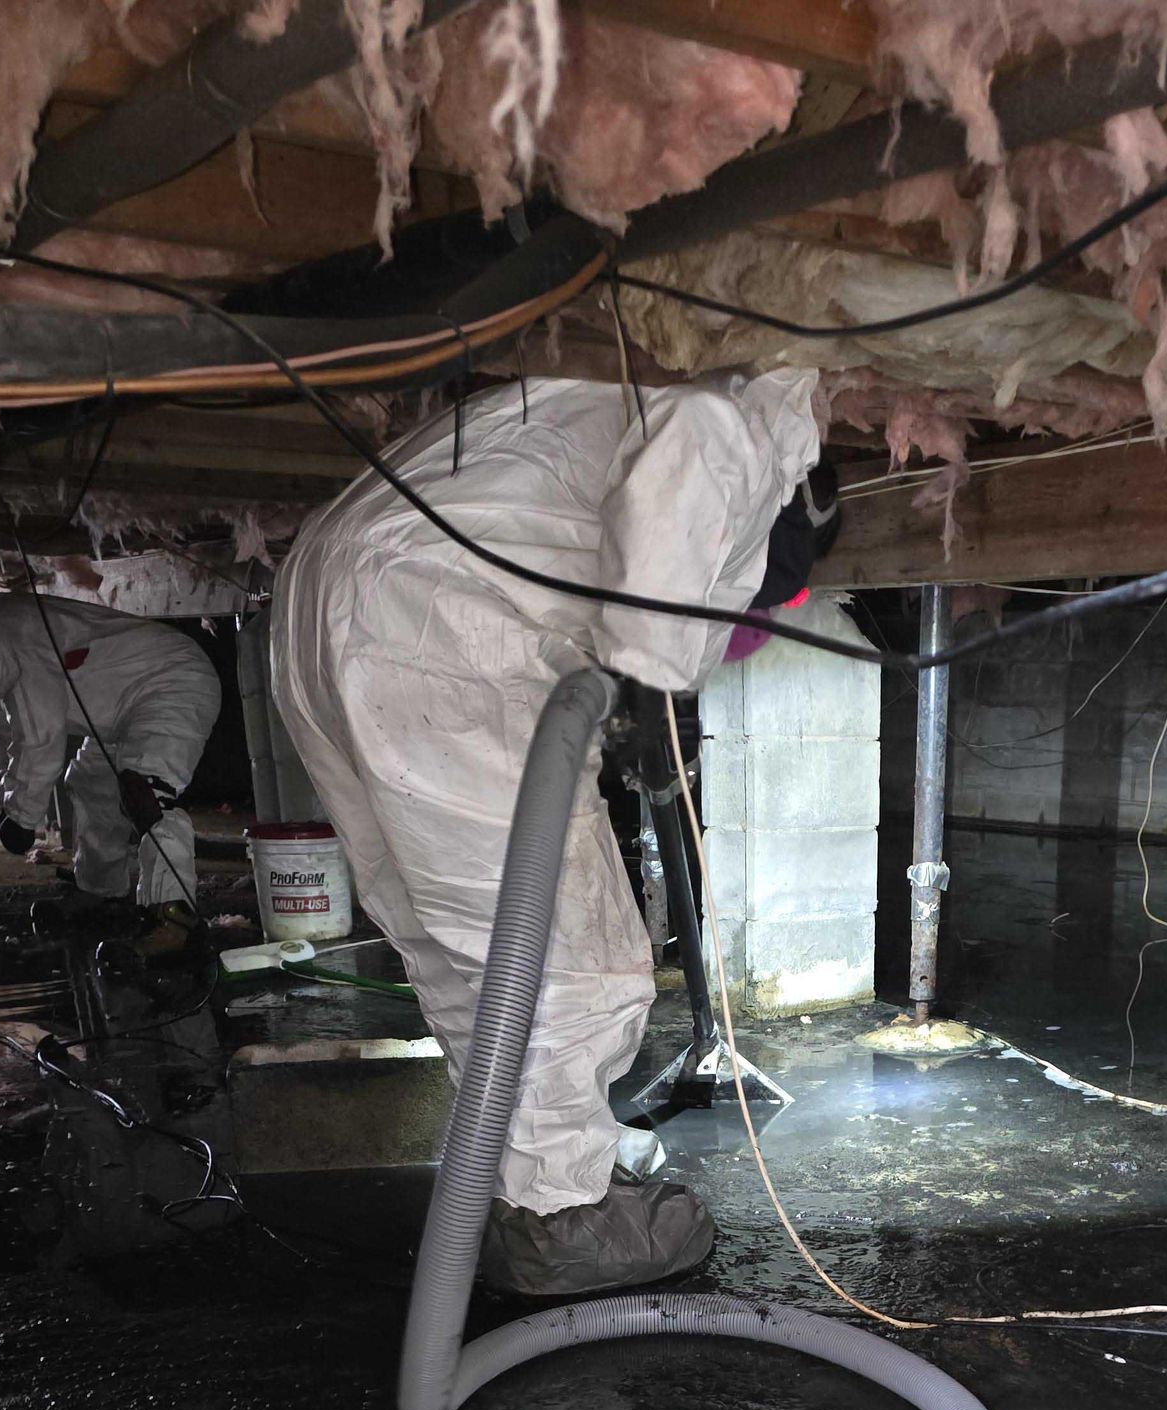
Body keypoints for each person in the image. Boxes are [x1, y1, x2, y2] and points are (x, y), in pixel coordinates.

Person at [270, 368, 821, 1299]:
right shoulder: (770, 426)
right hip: (431, 615)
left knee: (456, 944)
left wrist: (643, 680)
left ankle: (508, 1167)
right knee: (571, 956)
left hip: (320, 598)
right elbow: (706, 436)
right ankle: (564, 1218)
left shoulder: (580, 431)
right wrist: (649, 681)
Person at [0, 582, 222, 911]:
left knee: (145, 794)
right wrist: (7, 801)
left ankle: (174, 915)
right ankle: (100, 893)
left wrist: (21, 814)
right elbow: (9, 740)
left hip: (171, 680)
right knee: (90, 784)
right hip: (120, 717)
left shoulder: (0, 629)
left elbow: (40, 733)